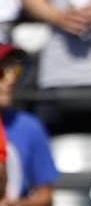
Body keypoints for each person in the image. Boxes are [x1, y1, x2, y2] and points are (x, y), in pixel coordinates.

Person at [0, 44, 59, 204]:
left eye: (15, 71)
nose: (11, 79)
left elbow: (46, 196)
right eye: (1, 73)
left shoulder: (28, 126)